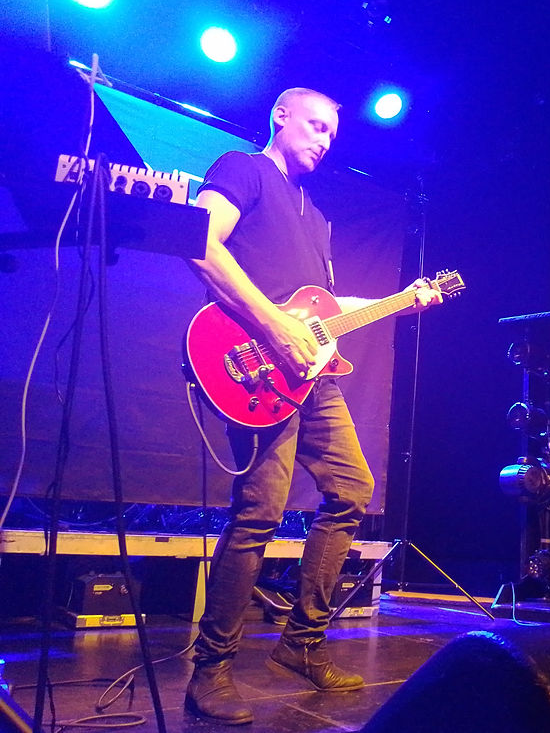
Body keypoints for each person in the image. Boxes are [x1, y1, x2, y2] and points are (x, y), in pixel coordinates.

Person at [183, 88, 443, 725]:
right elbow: (201, 243)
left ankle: (301, 642)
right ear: (281, 116)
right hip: (253, 363)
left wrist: (402, 300)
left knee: (352, 489)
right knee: (261, 510)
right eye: (316, 125)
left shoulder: (317, 216)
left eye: (332, 133)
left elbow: (324, 308)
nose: (325, 140)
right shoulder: (244, 169)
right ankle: (210, 669)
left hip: (309, 376)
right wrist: (274, 326)